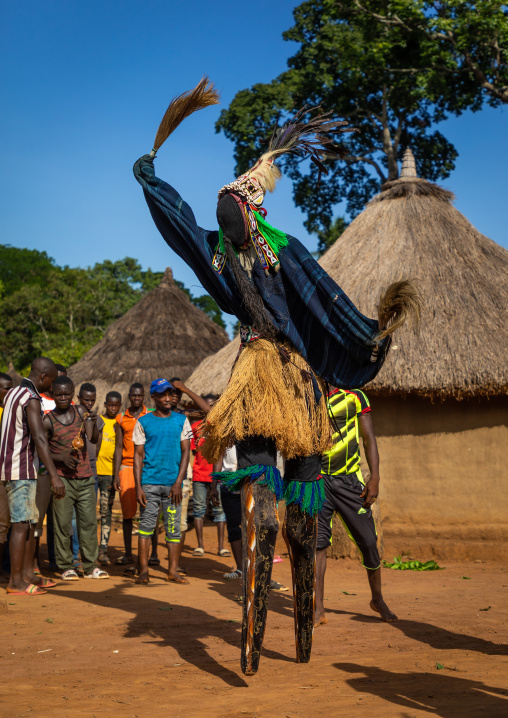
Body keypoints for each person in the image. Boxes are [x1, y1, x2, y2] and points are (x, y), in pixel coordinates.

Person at [134, 79, 420, 674]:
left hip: (279, 380)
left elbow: (326, 303)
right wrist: (153, 184)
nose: (223, 219)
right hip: (280, 381)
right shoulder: (243, 248)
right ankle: (272, 618)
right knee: (287, 496)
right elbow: (187, 227)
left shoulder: (269, 249)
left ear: (246, 212)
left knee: (297, 498)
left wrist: (370, 332)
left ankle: (282, 619)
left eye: (228, 211)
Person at [314, 388, 397, 626]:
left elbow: (369, 437)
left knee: (369, 542)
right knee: (319, 544)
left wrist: (375, 477)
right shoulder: (311, 394)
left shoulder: (355, 395)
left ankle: (377, 599)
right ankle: (318, 608)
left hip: (350, 481)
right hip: (320, 481)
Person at [0, 358, 65, 595]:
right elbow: (39, 439)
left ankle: (26, 574)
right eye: (52, 380)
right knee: (20, 525)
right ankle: (16, 582)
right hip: (22, 469)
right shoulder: (31, 398)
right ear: (42, 378)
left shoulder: (12, 393)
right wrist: (55, 477)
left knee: (26, 524)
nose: (53, 386)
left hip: (7, 467)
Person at [43, 376, 108, 580]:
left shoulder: (81, 412)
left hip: (86, 477)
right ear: (52, 395)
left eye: (66, 394)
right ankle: (66, 566)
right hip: (62, 480)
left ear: (73, 394)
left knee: (88, 523)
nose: (63, 397)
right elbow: (41, 452)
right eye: (58, 394)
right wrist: (60, 458)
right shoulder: (47, 420)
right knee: (62, 524)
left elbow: (94, 440)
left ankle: (90, 566)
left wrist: (91, 424)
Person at [132, 379, 191, 584]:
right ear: (154, 397)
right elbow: (137, 457)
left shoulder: (181, 420)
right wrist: (138, 486)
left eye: (169, 394)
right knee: (146, 527)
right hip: (149, 483)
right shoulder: (143, 422)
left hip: (173, 485)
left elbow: (186, 453)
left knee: (173, 529)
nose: (167, 398)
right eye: (162, 394)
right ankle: (144, 572)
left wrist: (178, 482)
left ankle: (172, 571)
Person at [113, 383, 155, 567]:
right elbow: (118, 447)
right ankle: (129, 554)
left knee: (150, 512)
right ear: (129, 396)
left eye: (139, 396)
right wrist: (116, 474)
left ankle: (152, 555)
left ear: (143, 396)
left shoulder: (152, 415)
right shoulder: (121, 418)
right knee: (128, 514)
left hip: (148, 467)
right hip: (128, 467)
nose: (136, 398)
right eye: (133, 396)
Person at [190, 394, 229, 558]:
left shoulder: (220, 427)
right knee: (199, 509)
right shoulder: (196, 426)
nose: (210, 409)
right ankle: (200, 546)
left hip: (217, 475)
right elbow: (193, 450)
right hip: (199, 474)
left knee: (219, 511)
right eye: (207, 406)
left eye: (213, 406)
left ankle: (221, 547)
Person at [96, 391, 122, 565]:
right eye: (110, 405)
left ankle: (103, 549)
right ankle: (88, 548)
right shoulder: (98, 420)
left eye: (116, 405)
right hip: (93, 471)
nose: (113, 408)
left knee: (106, 511)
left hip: (108, 474)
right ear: (105, 404)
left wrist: (116, 475)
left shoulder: (119, 424)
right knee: (88, 512)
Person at [0, 372, 14, 581]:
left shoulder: (7, 411)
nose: (8, 392)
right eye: (5, 388)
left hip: (6, 474)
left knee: (5, 523)